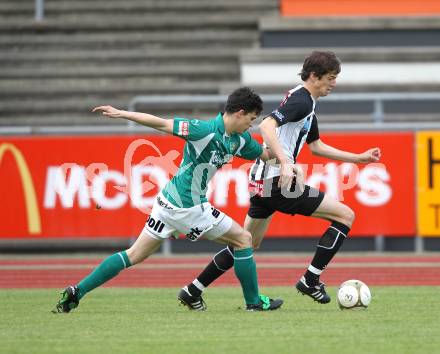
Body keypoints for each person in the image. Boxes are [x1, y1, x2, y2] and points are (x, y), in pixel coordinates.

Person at [52, 87, 283, 313]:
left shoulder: (239, 139)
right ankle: (253, 302)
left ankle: (76, 291)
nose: (251, 124)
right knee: (243, 239)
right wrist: (123, 113)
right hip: (188, 207)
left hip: (166, 203)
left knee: (134, 254)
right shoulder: (203, 130)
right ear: (239, 113)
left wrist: (286, 155)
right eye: (251, 119)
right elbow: (161, 123)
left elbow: (266, 156)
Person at [179, 51, 381, 309]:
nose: (334, 83)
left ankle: (192, 290)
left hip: (263, 181)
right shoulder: (302, 101)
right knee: (345, 215)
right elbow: (266, 126)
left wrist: (357, 158)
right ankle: (311, 279)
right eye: (330, 78)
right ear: (314, 76)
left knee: (245, 242)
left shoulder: (305, 102)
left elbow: (316, 146)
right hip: (277, 183)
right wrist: (286, 163)